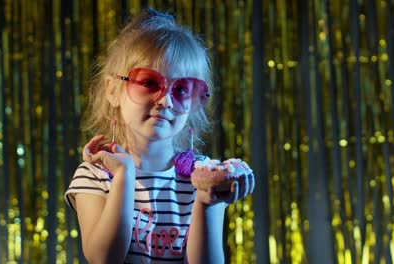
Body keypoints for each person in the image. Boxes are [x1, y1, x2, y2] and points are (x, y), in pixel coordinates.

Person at [64, 8, 255, 264]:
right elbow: (103, 258)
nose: (165, 100)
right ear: (112, 90)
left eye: (181, 89)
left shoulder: (202, 176)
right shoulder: (94, 176)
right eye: (149, 83)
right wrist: (124, 175)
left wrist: (206, 203)